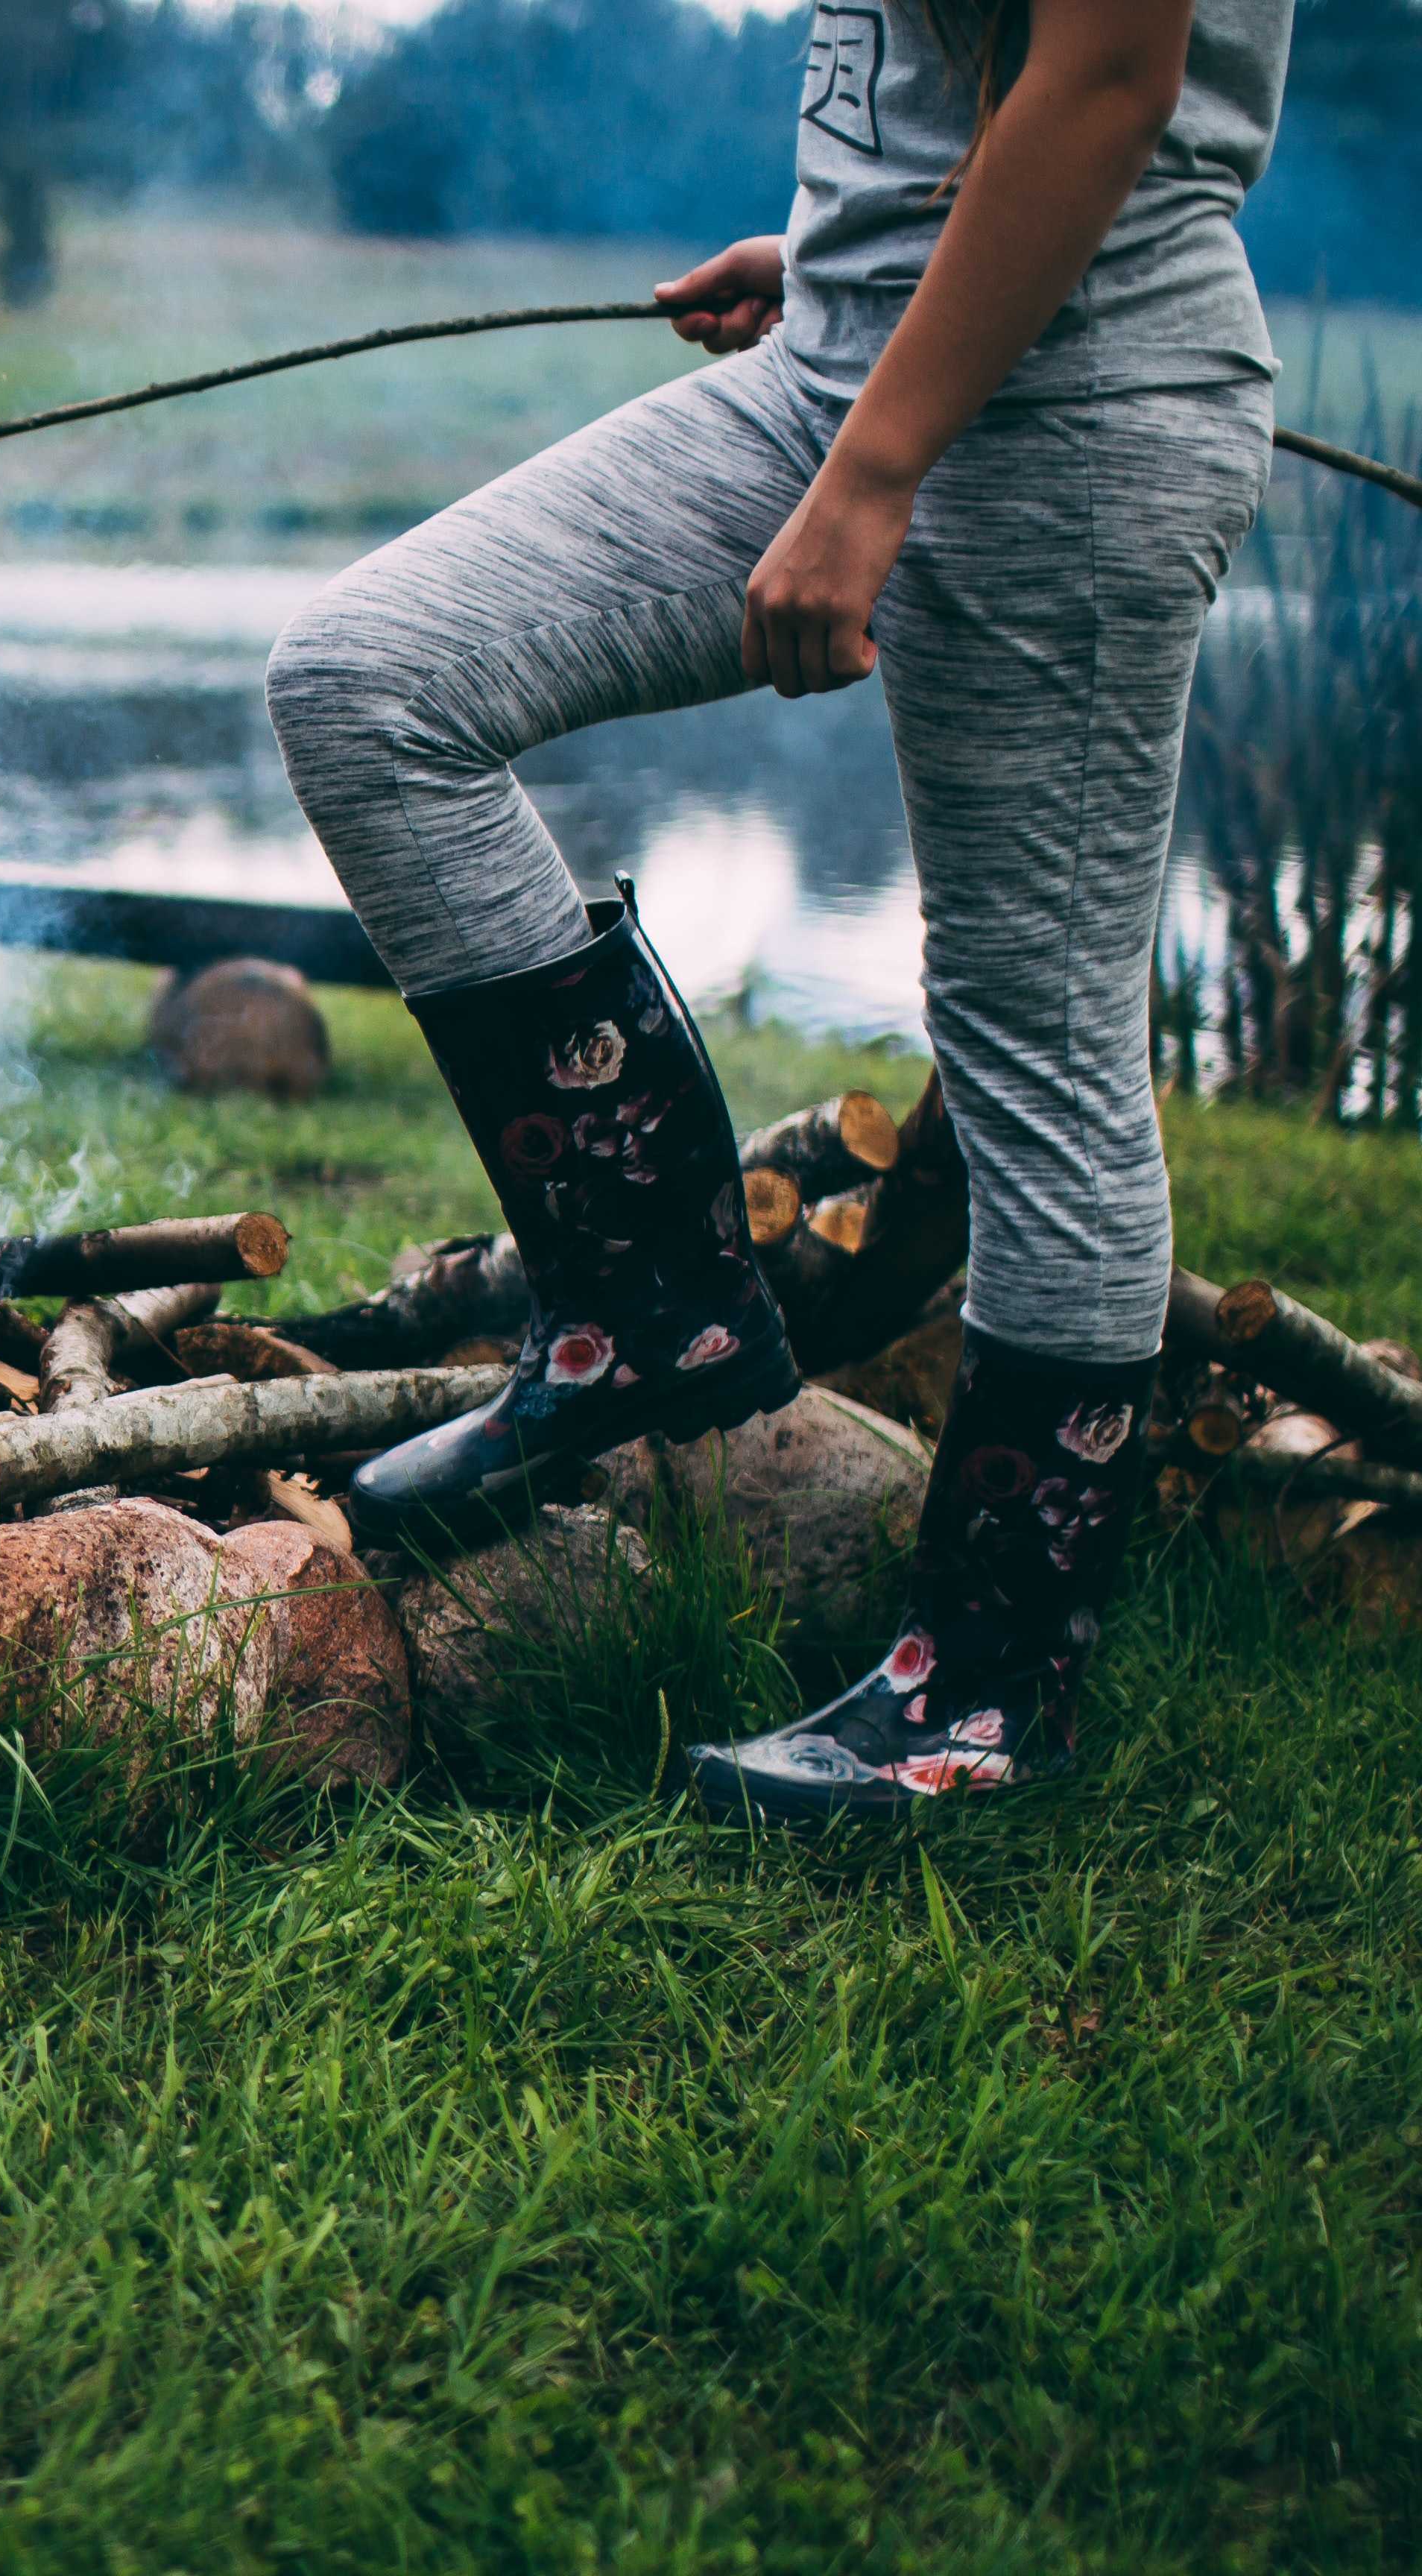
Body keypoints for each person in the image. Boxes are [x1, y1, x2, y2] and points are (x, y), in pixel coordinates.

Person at [262, 0, 1289, 1822]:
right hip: (854, 362)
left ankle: (986, 1690)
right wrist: (855, 255)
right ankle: (642, 1308)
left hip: (1068, 417)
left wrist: (881, 466)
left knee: (1036, 1041)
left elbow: (1118, 73)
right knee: (371, 680)